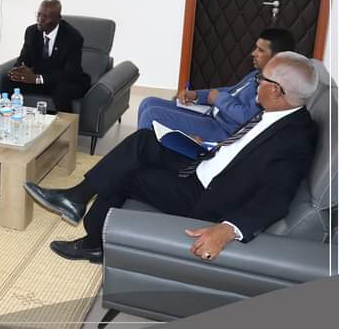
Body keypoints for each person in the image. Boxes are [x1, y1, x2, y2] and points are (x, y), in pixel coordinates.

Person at [24, 51, 317, 263]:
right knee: (143, 141)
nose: (256, 83)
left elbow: (276, 197)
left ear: (276, 91)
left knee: (127, 173)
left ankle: (94, 241)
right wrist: (210, 145)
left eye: (261, 80)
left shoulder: (295, 137)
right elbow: (243, 151)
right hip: (204, 163)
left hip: (206, 196)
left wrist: (228, 230)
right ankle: (77, 197)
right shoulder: (276, 112)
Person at [138, 27, 295, 142]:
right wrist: (197, 95)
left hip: (223, 130)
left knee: (152, 114)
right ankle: (147, 150)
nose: (253, 53)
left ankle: (140, 158)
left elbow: (248, 118)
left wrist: (219, 99)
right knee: (148, 102)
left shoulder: (273, 88)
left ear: (277, 57)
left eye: (260, 50)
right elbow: (231, 91)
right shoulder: (258, 74)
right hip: (213, 114)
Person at [1, 0, 90, 112]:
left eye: (46, 17)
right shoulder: (32, 31)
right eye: (38, 14)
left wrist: (37, 79)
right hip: (39, 79)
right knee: (7, 80)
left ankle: (66, 123)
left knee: (61, 90)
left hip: (67, 81)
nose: (40, 20)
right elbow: (24, 59)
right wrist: (18, 71)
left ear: (58, 18)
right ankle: (6, 116)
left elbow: (70, 73)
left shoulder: (72, 37)